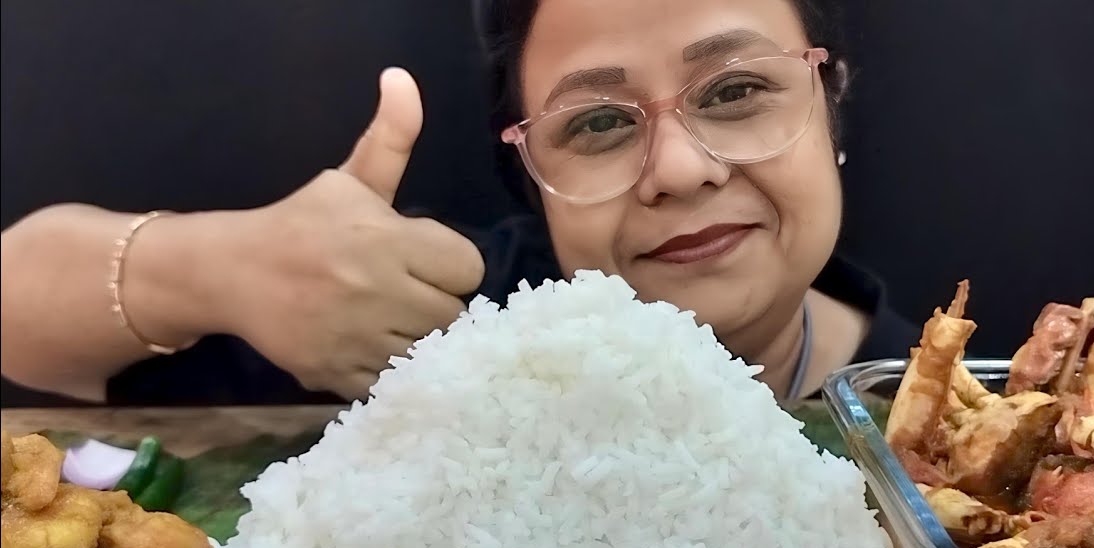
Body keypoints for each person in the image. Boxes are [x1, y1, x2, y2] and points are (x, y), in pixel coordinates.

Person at [1, 0, 916, 406]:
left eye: (734, 92)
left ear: (830, 108)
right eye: (598, 123)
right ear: (531, 172)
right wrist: (219, 272)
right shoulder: (436, 329)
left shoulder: (939, 415)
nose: (678, 169)